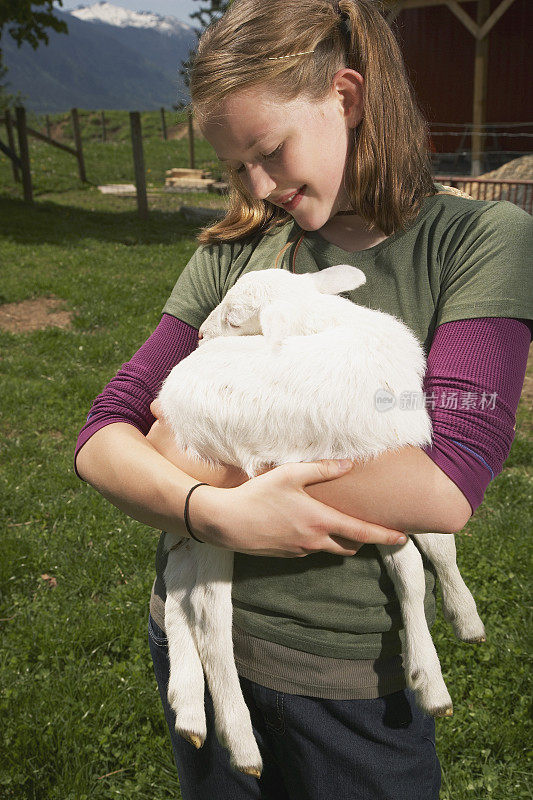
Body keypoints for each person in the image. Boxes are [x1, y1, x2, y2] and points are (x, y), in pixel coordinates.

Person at [75, 1, 533, 798]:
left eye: (270, 151)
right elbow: (103, 432)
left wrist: (188, 454)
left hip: (345, 675)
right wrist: (211, 515)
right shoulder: (237, 255)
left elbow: (444, 484)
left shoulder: (481, 241)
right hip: (191, 626)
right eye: (234, 168)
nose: (258, 186)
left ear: (345, 98)